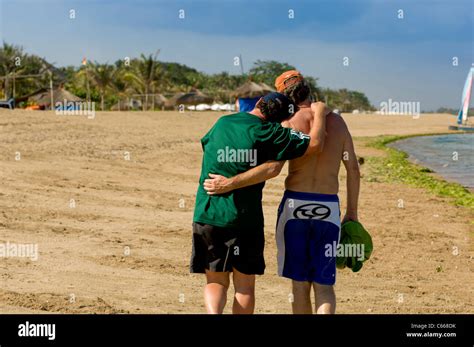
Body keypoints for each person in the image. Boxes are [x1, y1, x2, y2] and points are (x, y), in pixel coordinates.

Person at [204, 70, 360, 314]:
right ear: (308, 89)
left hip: (295, 206)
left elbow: (274, 167)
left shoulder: (287, 122)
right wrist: (352, 213)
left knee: (299, 286)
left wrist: (231, 181)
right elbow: (352, 169)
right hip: (328, 207)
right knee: (324, 286)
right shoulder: (338, 122)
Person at [191, 91, 330, 314]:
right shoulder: (274, 134)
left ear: (257, 103)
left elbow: (208, 147)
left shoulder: (222, 122)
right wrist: (320, 112)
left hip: (208, 213)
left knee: (215, 281)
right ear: (282, 119)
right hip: (245, 220)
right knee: (244, 287)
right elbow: (315, 144)